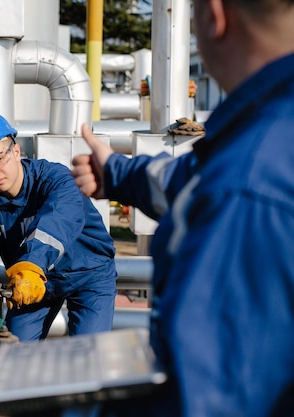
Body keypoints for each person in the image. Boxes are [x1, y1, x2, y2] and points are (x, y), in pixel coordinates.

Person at [71, 0, 294, 415]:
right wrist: (117, 173)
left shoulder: (246, 188)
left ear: (215, 14)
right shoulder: (268, 130)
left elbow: (203, 398)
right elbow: (193, 181)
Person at [0, 111, 118, 342]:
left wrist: (32, 265)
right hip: (33, 282)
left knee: (90, 353)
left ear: (16, 151)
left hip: (89, 274)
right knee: (10, 350)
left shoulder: (57, 180)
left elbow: (57, 223)